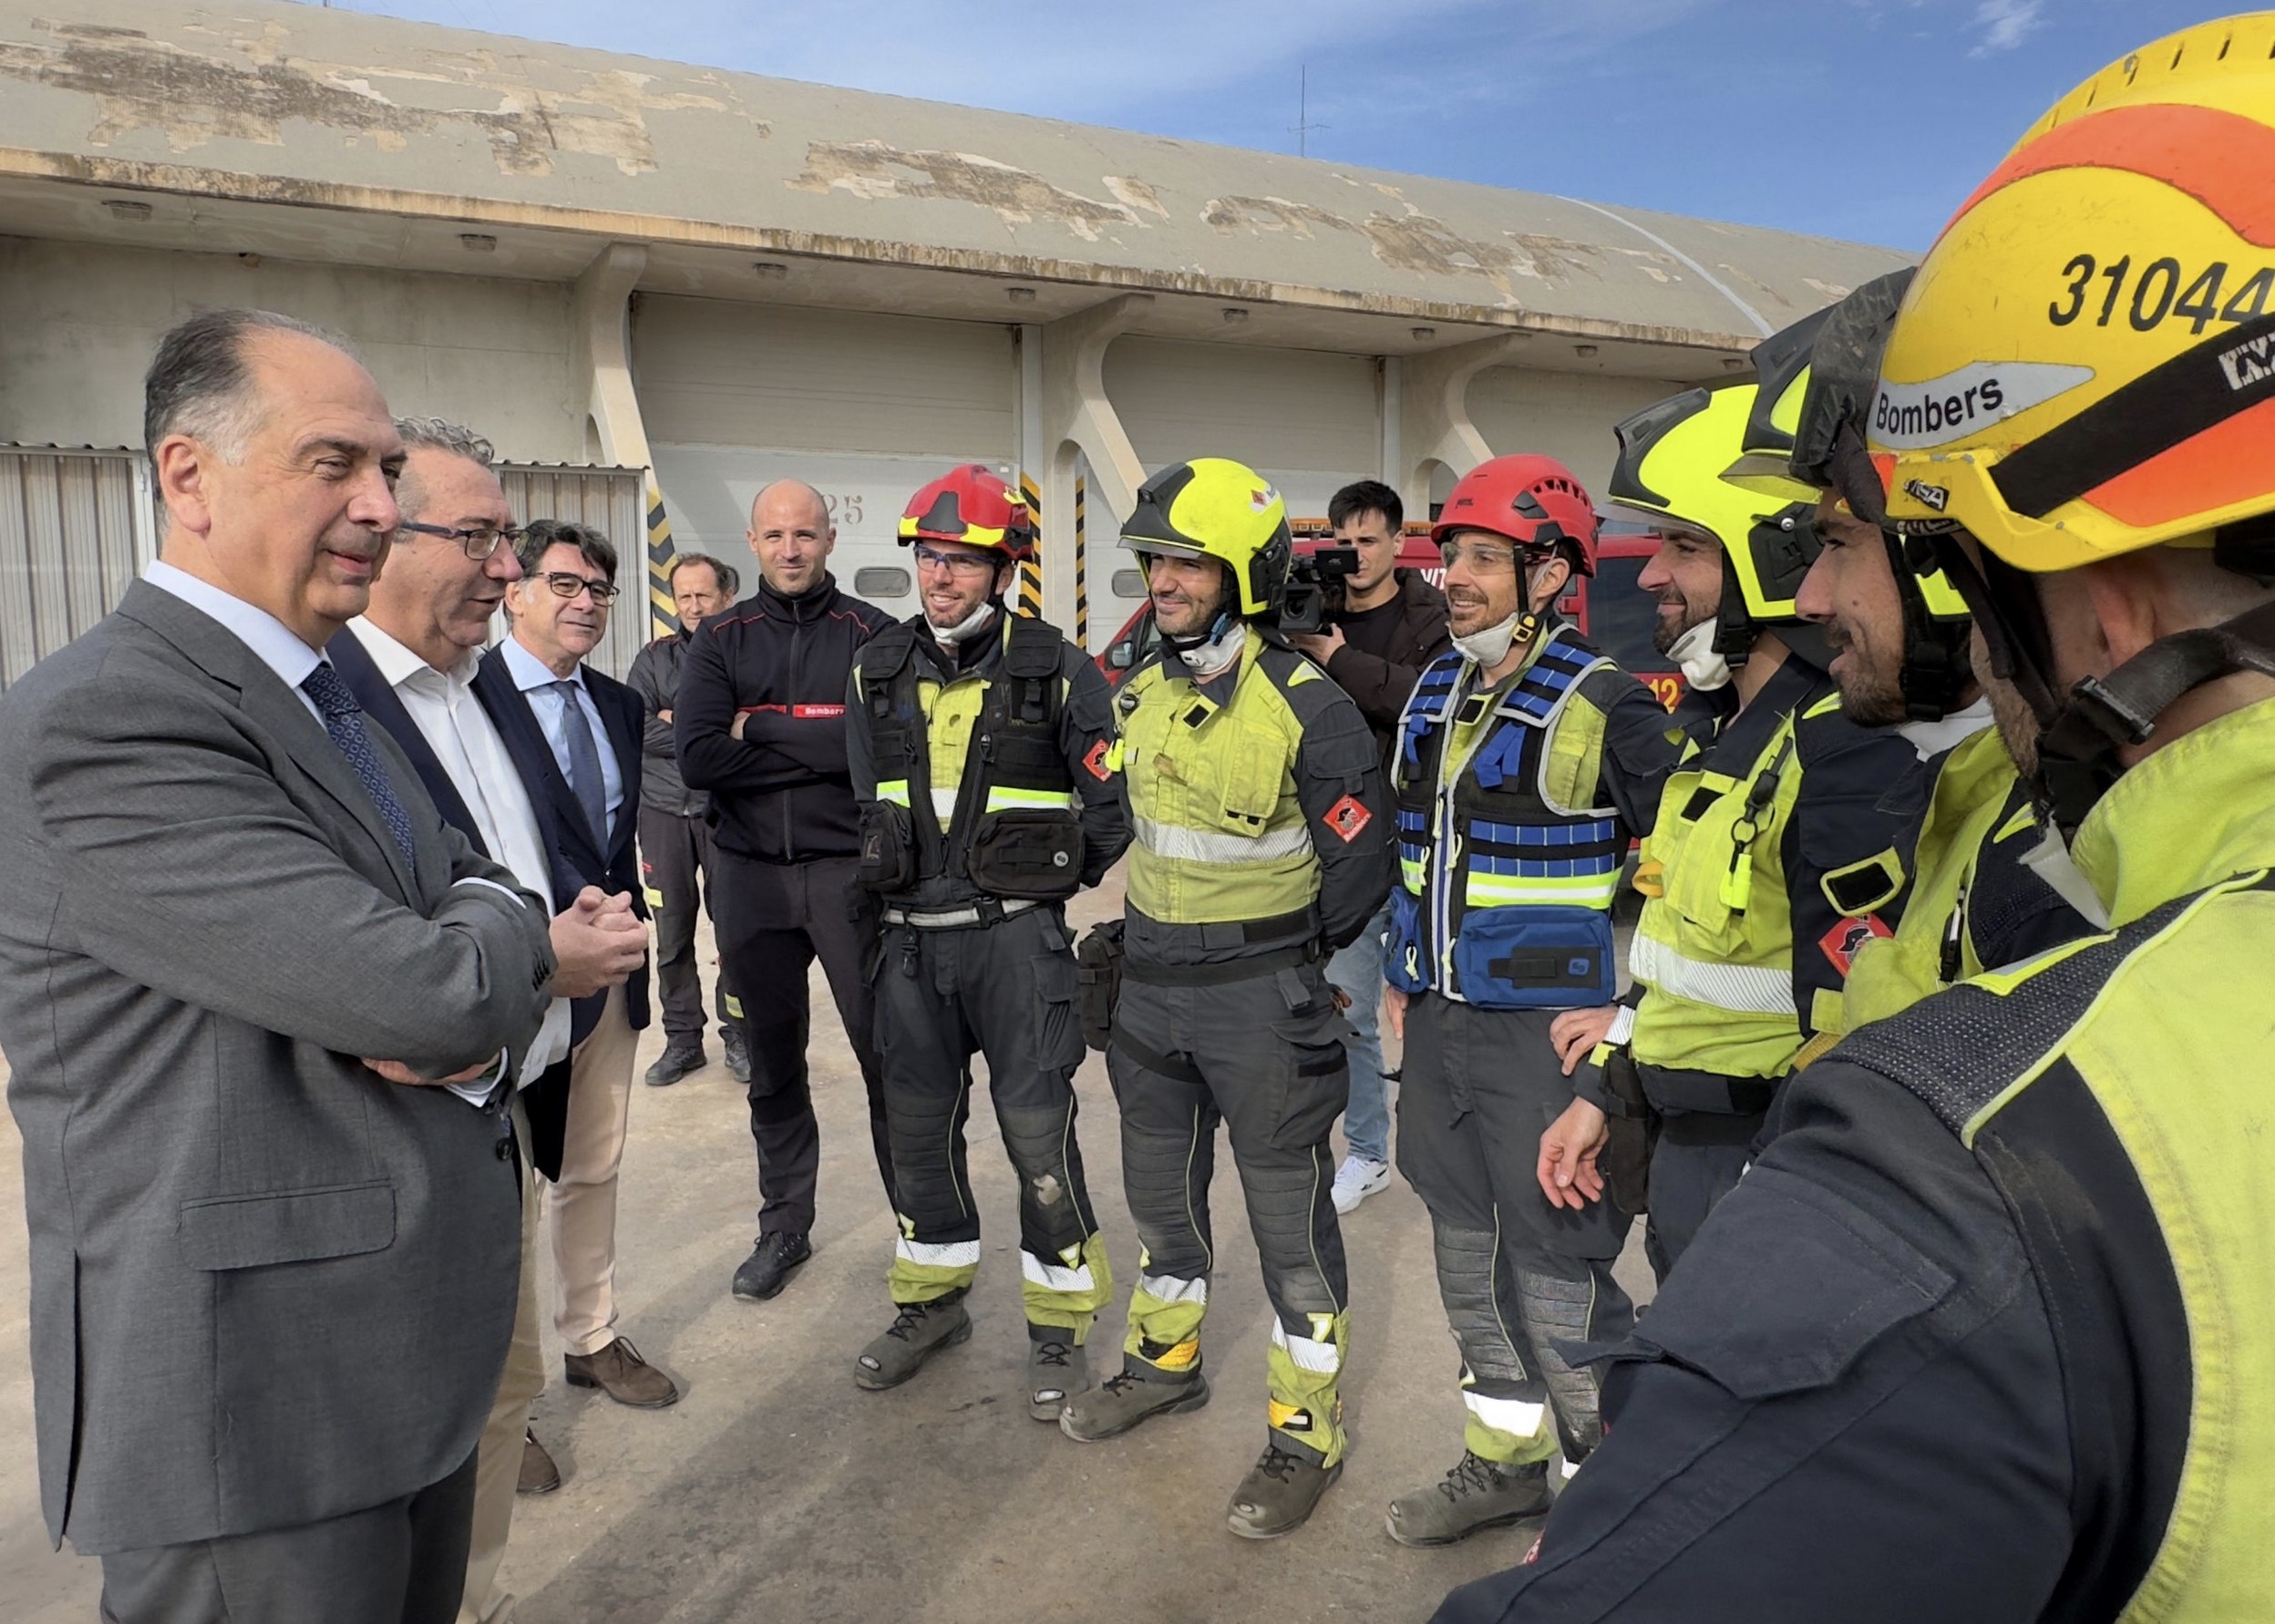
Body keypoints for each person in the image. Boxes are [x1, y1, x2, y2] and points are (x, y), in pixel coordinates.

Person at [1439, 18, 2275, 1619]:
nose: (1813, 589)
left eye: (1844, 538)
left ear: (2090, 588)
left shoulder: (2002, 1122)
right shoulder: (2000, 807)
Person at [0, 309, 556, 1623]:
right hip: (256, 1412)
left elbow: (485, 880)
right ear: (188, 476)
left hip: (393, 1365)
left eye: (387, 471)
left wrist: (489, 920)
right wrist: (489, 939)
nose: (380, 506)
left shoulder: (321, 691)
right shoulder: (109, 720)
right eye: (333, 463)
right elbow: (434, 995)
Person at [329, 418, 650, 1620]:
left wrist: (568, 915)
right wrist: (539, 957)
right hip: (402, 1133)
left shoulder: (475, 690)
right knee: (416, 1432)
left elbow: (505, 858)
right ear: (381, 534)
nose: (507, 569)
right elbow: (362, 949)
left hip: (499, 1109)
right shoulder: (331, 704)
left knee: (501, 1395)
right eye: (480, 537)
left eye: (508, 541)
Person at [1057, 457, 1393, 1540]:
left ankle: (1306, 1433)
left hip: (1261, 1004)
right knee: (1161, 1205)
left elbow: (1359, 873)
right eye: (1154, 561)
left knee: (1291, 1231)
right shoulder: (1140, 691)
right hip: (1148, 996)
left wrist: (1280, 963)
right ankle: (1165, 1366)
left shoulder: (1312, 709)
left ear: (1244, 575)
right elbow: (1108, 819)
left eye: (1188, 564)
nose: (1163, 581)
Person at [1534, 381, 1917, 1281]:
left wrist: (1790, 1178)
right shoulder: (1717, 736)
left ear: (1773, 561)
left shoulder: (1841, 751)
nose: (1650, 575)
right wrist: (1602, 1090)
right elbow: (1675, 962)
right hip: (1687, 1147)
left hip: (1767, 1163)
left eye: (1685, 546)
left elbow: (1866, 1016)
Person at [1378, 456, 1685, 1547]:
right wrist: (1401, 971)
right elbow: (1418, 851)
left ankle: (1609, 1496)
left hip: (1544, 1042)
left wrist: (1630, 1014)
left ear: (1550, 575)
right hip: (1441, 1027)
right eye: (1449, 555)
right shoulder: (1435, 688)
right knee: (1465, 1246)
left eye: (1480, 558)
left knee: (1559, 1267)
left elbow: (1696, 880)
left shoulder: (1607, 704)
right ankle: (1506, 1461)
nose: (1451, 576)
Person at [843, 465, 1131, 1416]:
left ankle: (1059, 1328)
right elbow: (867, 799)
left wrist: (1043, 887)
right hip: (908, 949)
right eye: (930, 558)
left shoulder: (1060, 670)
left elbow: (1112, 807)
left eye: (963, 561)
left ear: (1003, 571)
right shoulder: (875, 670)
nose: (942, 577)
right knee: (918, 1133)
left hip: (1015, 946)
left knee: (1038, 1136)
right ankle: (931, 1305)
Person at [1756, 275, 2087, 1025]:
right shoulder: (1984, 790)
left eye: (1840, 544)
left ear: (1942, 552)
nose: (1808, 601)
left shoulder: (2064, 836)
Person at [676, 479, 896, 1302]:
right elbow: (699, 756)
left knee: (889, 1059)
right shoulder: (720, 638)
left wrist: (763, 725)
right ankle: (784, 1226)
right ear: (753, 543)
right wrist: (825, 741)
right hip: (749, 878)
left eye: (804, 534)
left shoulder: (874, 635)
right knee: (772, 1063)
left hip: (850, 876)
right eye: (774, 536)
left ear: (830, 539)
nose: (790, 549)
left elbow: (880, 751)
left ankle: (922, 1232)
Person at [476, 519, 679, 1413]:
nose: (585, 602)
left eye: (598, 588)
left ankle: (591, 1336)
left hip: (608, 971)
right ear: (514, 592)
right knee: (504, 1190)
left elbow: (609, 841)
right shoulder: (468, 696)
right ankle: (501, 1400)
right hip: (514, 972)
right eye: (564, 584)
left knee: (593, 1162)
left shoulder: (619, 705)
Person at [1288, 478, 1450, 1216]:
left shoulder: (1432, 618)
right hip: (1336, 843)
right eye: (1342, 541)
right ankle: (1368, 1152)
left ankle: (1439, 1143)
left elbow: (1430, 703)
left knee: (1431, 1013)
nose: (1354, 555)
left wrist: (1338, 657)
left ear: (1397, 543)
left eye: (1368, 540)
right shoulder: (1308, 608)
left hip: (1416, 842)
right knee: (1349, 1009)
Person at [626, 551, 750, 1087]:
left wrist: (677, 722)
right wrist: (705, 730)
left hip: (727, 811)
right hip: (661, 813)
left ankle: (740, 1035)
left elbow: (752, 727)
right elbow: (635, 725)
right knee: (672, 936)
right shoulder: (653, 659)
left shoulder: (747, 656)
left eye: (704, 595)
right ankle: (682, 1042)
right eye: (684, 596)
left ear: (727, 596)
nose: (694, 606)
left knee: (736, 933)